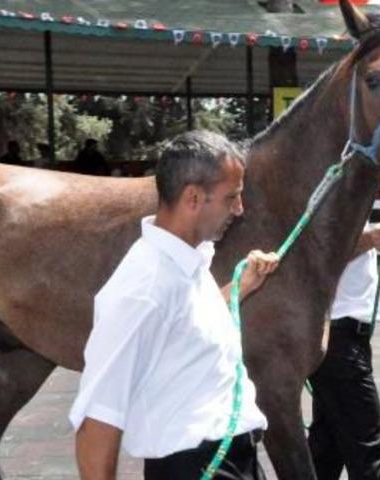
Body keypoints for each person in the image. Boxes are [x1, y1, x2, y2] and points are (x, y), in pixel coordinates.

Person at [69, 130, 279, 480]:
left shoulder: (184, 262)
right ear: (193, 198)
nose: (239, 209)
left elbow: (186, 332)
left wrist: (240, 287)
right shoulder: (143, 289)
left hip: (230, 458)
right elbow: (98, 421)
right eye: (231, 197)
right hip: (195, 467)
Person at [308, 221, 380, 480]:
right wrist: (368, 239)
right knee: (367, 445)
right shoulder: (321, 197)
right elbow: (317, 252)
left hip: (343, 334)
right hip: (338, 335)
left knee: (328, 444)